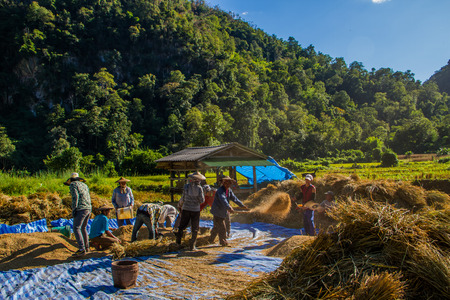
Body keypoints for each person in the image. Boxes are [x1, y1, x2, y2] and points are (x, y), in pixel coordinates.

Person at [208, 176, 248, 247]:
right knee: (222, 227)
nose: (228, 184)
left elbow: (234, 198)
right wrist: (228, 207)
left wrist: (242, 205)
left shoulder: (229, 190)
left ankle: (210, 240)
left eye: (229, 183)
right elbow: (223, 199)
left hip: (223, 211)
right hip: (217, 211)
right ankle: (223, 242)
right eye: (226, 182)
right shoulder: (220, 190)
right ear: (223, 183)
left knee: (217, 227)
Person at [176, 171, 205, 251]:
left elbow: (183, 197)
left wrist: (179, 205)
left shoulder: (186, 186)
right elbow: (202, 200)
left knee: (182, 226)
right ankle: (192, 246)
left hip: (186, 208)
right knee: (195, 227)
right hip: (195, 210)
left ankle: (178, 243)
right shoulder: (199, 188)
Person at [64, 172, 92, 257]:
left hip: (81, 208)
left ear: (71, 180)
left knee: (76, 228)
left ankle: (81, 248)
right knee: (83, 227)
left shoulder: (73, 185)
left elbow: (75, 197)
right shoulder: (84, 185)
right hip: (88, 207)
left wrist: (74, 209)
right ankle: (87, 247)